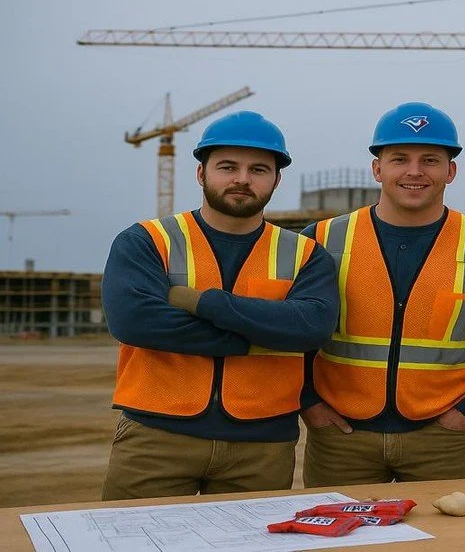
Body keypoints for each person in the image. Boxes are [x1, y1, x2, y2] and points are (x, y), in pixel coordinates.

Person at [300, 101, 465, 486]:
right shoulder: (321, 240)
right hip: (341, 439)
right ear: (377, 168)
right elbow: (285, 333)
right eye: (399, 159)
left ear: (451, 170)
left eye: (430, 159)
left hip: (444, 441)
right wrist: (309, 402)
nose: (415, 171)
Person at [100, 111, 339, 500]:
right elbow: (135, 322)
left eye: (258, 169)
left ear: (276, 180)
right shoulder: (147, 240)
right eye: (228, 166)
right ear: (201, 173)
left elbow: (311, 328)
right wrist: (256, 339)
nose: (242, 179)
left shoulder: (305, 254)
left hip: (262, 445)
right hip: (156, 438)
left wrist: (202, 303)